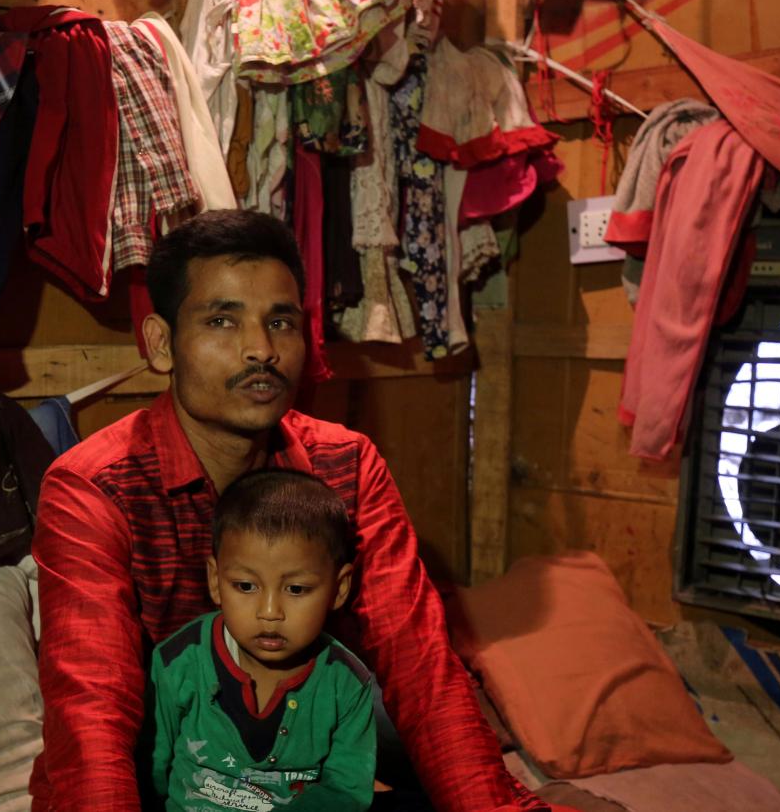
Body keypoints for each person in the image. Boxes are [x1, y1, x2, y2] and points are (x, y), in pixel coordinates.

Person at [30, 209, 545, 812]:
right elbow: (93, 712)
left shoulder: (346, 463)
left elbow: (419, 665)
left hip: (305, 747)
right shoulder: (93, 486)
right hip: (174, 761)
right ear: (162, 344)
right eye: (222, 320)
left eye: (281, 321)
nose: (262, 350)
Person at [149, 468, 375, 811]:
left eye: (296, 589)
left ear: (339, 588)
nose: (269, 612)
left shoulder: (347, 685)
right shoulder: (178, 661)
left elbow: (346, 793)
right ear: (215, 580)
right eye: (245, 586)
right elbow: (152, 770)